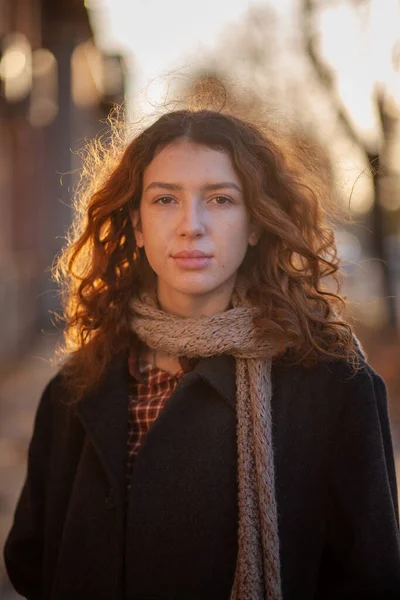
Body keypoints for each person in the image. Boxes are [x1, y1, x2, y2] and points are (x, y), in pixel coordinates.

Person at [4, 108, 400, 600]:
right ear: (139, 224)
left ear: (255, 224)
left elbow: (371, 576)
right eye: (165, 199)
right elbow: (32, 560)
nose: (192, 225)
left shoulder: (332, 383)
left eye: (220, 199)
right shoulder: (80, 383)